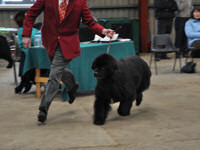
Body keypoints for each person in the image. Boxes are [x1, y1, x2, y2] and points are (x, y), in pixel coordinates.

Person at [22, 0, 114, 123]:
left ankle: (44, 107)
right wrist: (26, 35)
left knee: (54, 74)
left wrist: (102, 31)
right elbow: (31, 14)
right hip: (50, 41)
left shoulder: (80, 2)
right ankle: (72, 85)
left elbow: (90, 21)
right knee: (58, 70)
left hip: (67, 43)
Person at [14, 11, 39, 94]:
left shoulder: (33, 29)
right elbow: (33, 39)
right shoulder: (23, 30)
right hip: (29, 53)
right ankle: (26, 81)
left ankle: (26, 82)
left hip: (32, 53)